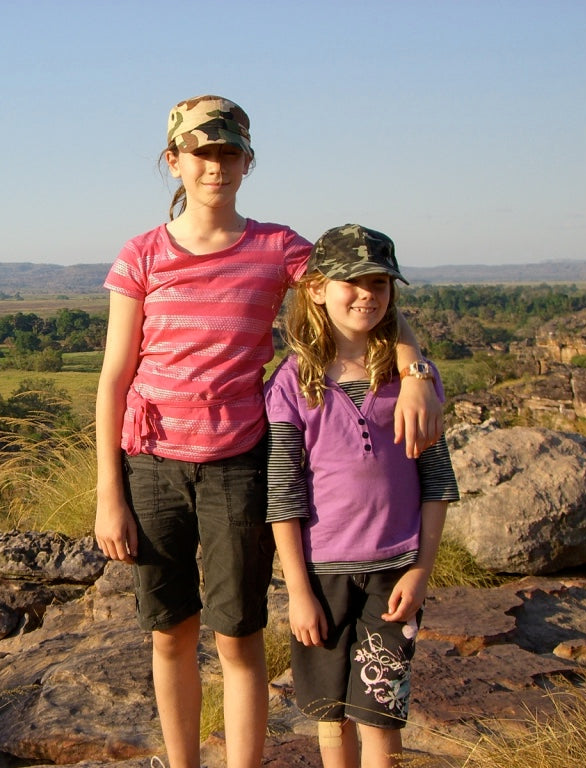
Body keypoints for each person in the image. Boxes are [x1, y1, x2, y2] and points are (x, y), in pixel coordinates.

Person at [94, 95, 442, 768]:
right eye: (202, 153)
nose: (215, 166)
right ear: (175, 162)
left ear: (247, 162)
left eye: (229, 153)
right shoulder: (141, 255)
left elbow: (357, 292)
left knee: (239, 634)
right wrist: (109, 491)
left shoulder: (276, 247)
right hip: (153, 463)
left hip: (236, 461)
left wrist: (416, 367)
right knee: (170, 632)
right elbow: (114, 376)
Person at [264, 224, 460, 768]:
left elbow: (436, 481)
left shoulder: (414, 381)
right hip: (320, 574)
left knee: (381, 714)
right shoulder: (292, 384)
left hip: (393, 573)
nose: (367, 294)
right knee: (330, 715)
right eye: (352, 281)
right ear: (318, 289)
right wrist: (297, 592)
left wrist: (422, 570)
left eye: (380, 282)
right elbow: (283, 492)